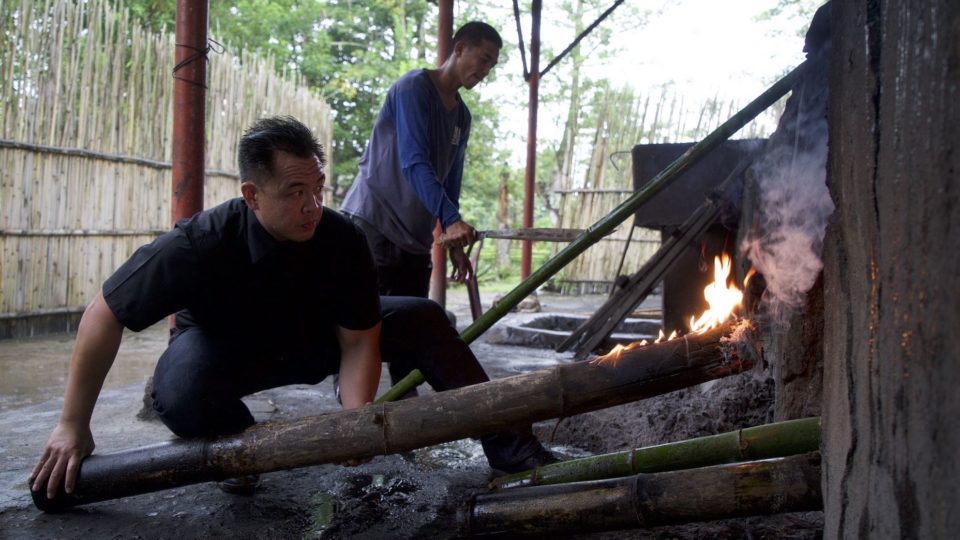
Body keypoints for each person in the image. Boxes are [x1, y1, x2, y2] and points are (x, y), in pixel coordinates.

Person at [29, 116, 555, 500]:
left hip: (312, 339)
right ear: (252, 195)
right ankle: (241, 446)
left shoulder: (343, 237)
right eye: (295, 192)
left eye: (319, 188)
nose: (312, 205)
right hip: (226, 350)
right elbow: (105, 312)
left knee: (424, 315)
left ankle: (513, 448)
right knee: (180, 391)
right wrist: (72, 424)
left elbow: (358, 339)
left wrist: (355, 420)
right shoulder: (200, 241)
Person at [340, 21, 503, 297]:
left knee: (411, 327)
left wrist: (455, 243)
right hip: (375, 225)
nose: (486, 71)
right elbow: (413, 162)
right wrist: (451, 220)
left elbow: (451, 182)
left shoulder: (462, 117)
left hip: (415, 239)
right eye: (484, 59)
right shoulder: (413, 89)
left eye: (492, 66)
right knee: (370, 327)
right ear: (460, 48)